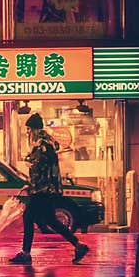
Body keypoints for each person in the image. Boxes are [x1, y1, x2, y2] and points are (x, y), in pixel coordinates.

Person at [10, 113, 90, 265]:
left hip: (42, 189)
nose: (27, 133)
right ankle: (78, 245)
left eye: (28, 129)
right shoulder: (47, 142)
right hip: (47, 188)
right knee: (51, 220)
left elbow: (38, 166)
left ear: (33, 129)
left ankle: (26, 253)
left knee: (28, 217)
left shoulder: (41, 144)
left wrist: (32, 179)